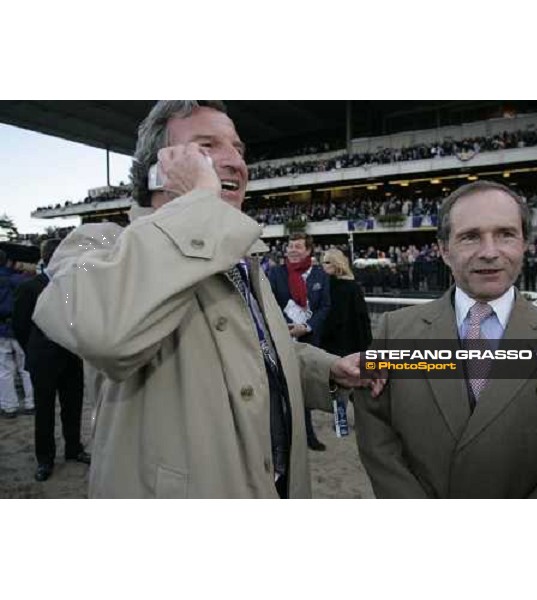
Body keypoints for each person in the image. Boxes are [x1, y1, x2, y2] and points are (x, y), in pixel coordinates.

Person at [33, 101, 380, 499]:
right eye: (208, 146)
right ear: (159, 168)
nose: (235, 161)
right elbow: (105, 333)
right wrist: (197, 201)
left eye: (238, 149)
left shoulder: (241, 262)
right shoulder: (102, 243)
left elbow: (259, 350)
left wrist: (330, 369)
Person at [354, 180, 537, 498]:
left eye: (505, 234)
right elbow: (377, 436)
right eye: (470, 237)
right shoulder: (394, 331)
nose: (489, 252)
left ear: (524, 243)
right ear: (443, 249)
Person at [13, 239, 90, 482]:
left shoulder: (73, 285)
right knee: (44, 411)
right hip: (43, 360)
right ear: (48, 258)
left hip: (71, 356)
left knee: (73, 405)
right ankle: (45, 460)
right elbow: (20, 326)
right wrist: (35, 351)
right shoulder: (29, 288)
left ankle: (73, 448)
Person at [268, 233, 331, 451]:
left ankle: (307, 434)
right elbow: (269, 303)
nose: (292, 250)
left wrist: (307, 326)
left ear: (308, 251)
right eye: (290, 246)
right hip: (282, 337)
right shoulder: (275, 273)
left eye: (297, 246)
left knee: (303, 388)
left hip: (309, 339)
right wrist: (285, 326)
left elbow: (325, 307)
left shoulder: (320, 275)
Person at [320, 248, 372, 434]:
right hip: (352, 344)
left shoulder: (333, 288)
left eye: (326, 262)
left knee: (344, 388)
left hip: (340, 345)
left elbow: (337, 319)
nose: (323, 266)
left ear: (336, 264)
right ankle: (358, 423)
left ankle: (343, 423)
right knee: (353, 388)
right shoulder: (352, 287)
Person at [0, 249, 34, 418]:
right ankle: (31, 403)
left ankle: (9, 407)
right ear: (8, 261)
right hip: (21, 328)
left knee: (4, 370)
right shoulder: (22, 280)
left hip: (1, 331)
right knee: (25, 368)